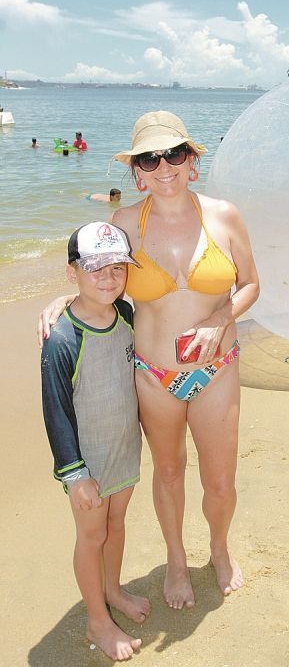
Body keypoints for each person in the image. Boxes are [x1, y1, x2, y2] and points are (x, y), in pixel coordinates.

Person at [39, 110, 260, 608]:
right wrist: (59, 303)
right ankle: (177, 561)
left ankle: (219, 549)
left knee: (221, 481)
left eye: (174, 154)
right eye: (149, 158)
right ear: (137, 171)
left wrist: (218, 319)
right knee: (168, 472)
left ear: (192, 162)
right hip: (154, 376)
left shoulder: (225, 215)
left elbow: (250, 284)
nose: (164, 166)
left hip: (217, 370)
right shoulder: (121, 224)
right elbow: (98, 278)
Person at [41, 222, 149, 661]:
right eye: (94, 267)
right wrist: (76, 474)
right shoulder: (63, 338)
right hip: (87, 460)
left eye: (117, 267)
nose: (107, 277)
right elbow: (56, 411)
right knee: (91, 536)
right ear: (72, 273)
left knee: (116, 526)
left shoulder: (125, 315)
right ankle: (97, 618)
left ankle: (112, 589)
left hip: (125, 445)